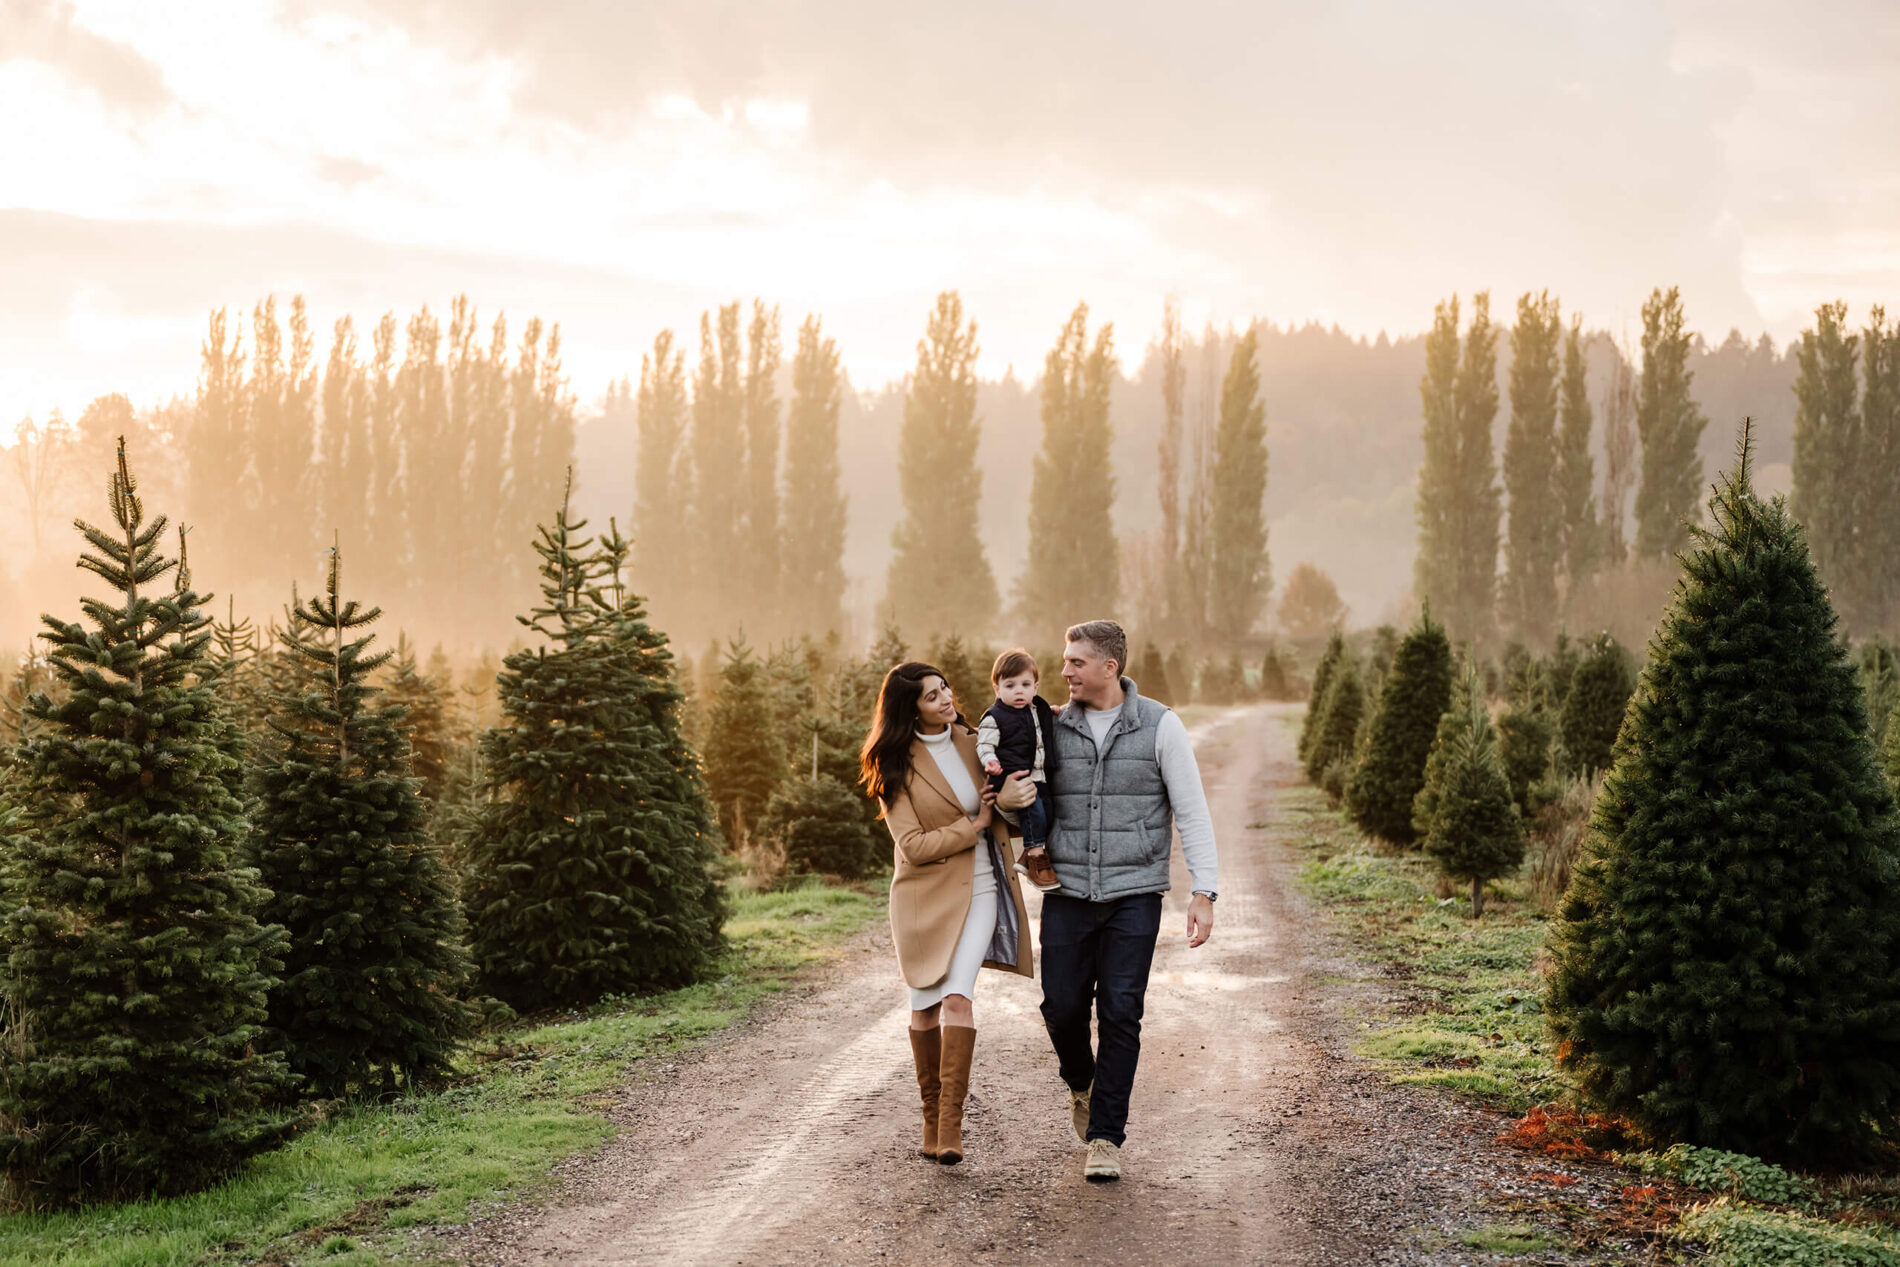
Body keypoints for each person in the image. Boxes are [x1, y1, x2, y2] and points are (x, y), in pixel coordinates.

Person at [1037, 619, 1219, 1181]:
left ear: (1109, 668)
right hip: (1067, 892)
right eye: (1065, 661)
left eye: (1075, 662)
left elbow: (1190, 810)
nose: (1064, 670)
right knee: (1061, 1007)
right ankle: (1081, 1083)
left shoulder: (1161, 726)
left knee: (1121, 1013)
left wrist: (1204, 891)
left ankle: (1105, 1138)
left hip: (1134, 895)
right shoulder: (1053, 728)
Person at [858, 660, 1037, 1165]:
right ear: (909, 708)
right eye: (932, 696)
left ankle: (953, 1125)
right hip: (922, 898)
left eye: (946, 689)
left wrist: (1004, 809)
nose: (946, 700)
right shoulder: (893, 763)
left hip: (980, 885)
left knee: (958, 995)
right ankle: (930, 1115)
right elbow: (912, 846)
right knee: (924, 1007)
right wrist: (974, 824)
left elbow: (1007, 804)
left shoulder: (976, 742)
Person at [975, 648, 1061, 893]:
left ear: (1035, 687)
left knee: (1049, 813)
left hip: (1040, 775)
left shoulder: (1037, 709)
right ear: (997, 689)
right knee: (1032, 811)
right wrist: (989, 761)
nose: (1019, 691)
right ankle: (1036, 858)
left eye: (1025, 684)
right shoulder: (995, 717)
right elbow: (985, 743)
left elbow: (1043, 726)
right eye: (1010, 685)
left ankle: (1027, 856)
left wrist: (1053, 712)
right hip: (1014, 776)